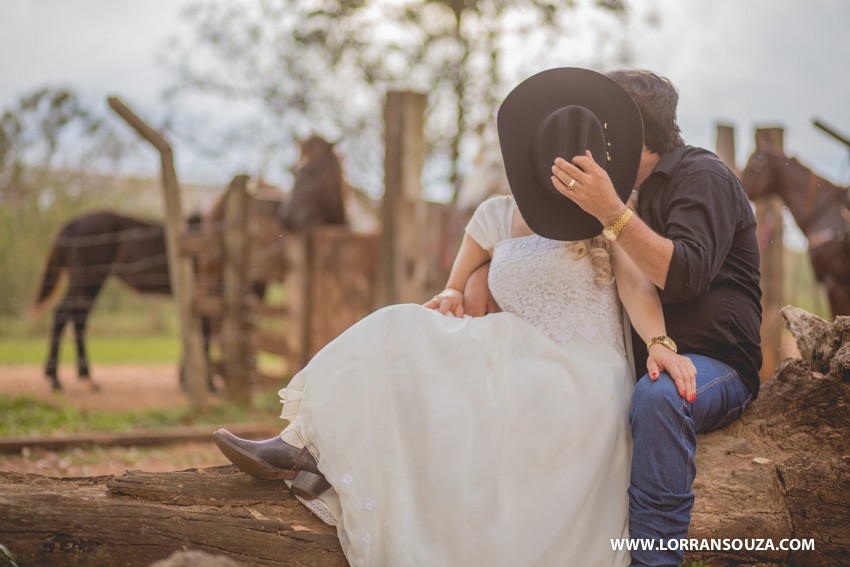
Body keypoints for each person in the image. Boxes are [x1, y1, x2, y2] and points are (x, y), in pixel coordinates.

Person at [213, 68, 696, 566]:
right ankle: (302, 448)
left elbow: (638, 288)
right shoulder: (494, 215)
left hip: (580, 370)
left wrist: (659, 340)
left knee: (486, 401)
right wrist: (456, 290)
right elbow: (454, 281)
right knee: (397, 325)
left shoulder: (612, 212)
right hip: (508, 347)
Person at [468, 69, 763, 566]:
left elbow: (683, 275)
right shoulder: (614, 193)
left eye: (596, 127)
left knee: (660, 397)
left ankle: (654, 560)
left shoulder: (702, 176)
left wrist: (612, 213)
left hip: (714, 364)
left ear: (628, 135)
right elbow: (537, 255)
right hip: (632, 361)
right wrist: (475, 277)